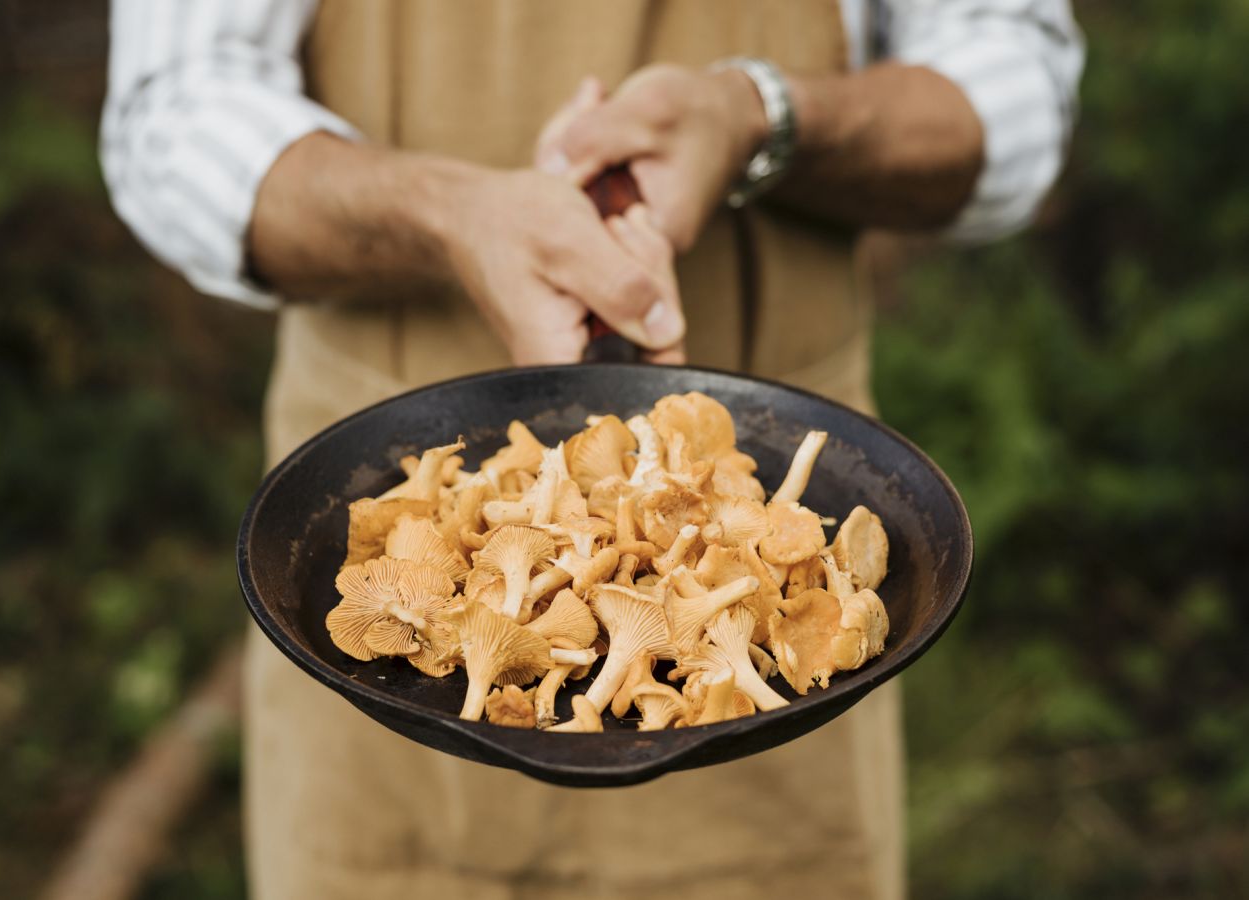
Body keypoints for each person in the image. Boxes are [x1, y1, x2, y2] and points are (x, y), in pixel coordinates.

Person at [101, 1, 1083, 896]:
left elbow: (1015, 82)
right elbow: (172, 114)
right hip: (391, 542)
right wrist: (442, 210)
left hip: (765, 630)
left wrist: (763, 115)